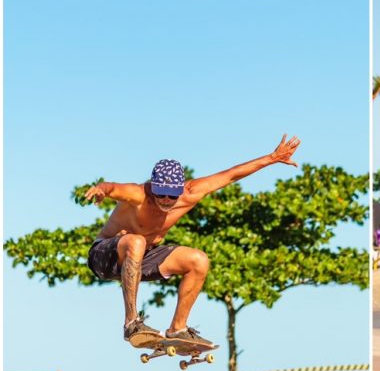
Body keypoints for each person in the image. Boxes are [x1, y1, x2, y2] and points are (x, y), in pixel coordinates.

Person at [85, 135, 301, 348]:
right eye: (160, 194)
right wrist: (101, 190)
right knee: (137, 241)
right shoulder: (139, 195)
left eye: (172, 195)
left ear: (180, 190)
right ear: (153, 187)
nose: (166, 201)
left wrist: (272, 158)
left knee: (198, 260)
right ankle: (132, 323)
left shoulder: (191, 193)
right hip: (104, 257)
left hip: (142, 259)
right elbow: (112, 187)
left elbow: (231, 176)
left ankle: (178, 328)